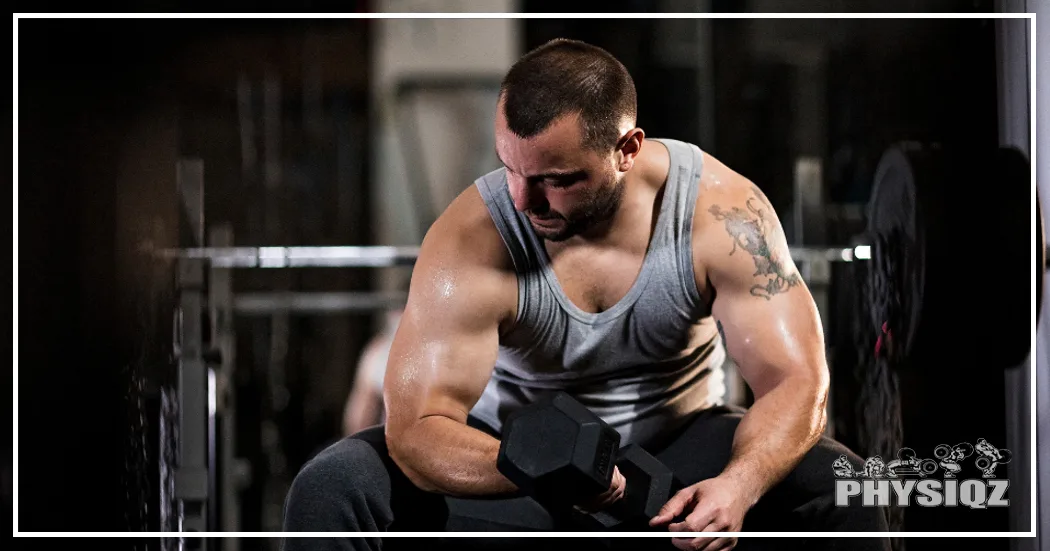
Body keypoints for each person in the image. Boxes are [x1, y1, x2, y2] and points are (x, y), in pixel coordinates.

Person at [281, 38, 889, 551]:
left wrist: (741, 482)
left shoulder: (719, 214)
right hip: (511, 463)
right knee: (333, 486)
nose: (524, 201)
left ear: (626, 149)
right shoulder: (472, 238)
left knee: (843, 485)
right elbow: (416, 430)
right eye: (511, 170)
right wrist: (545, 469)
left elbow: (796, 381)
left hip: (672, 456)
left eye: (556, 180)